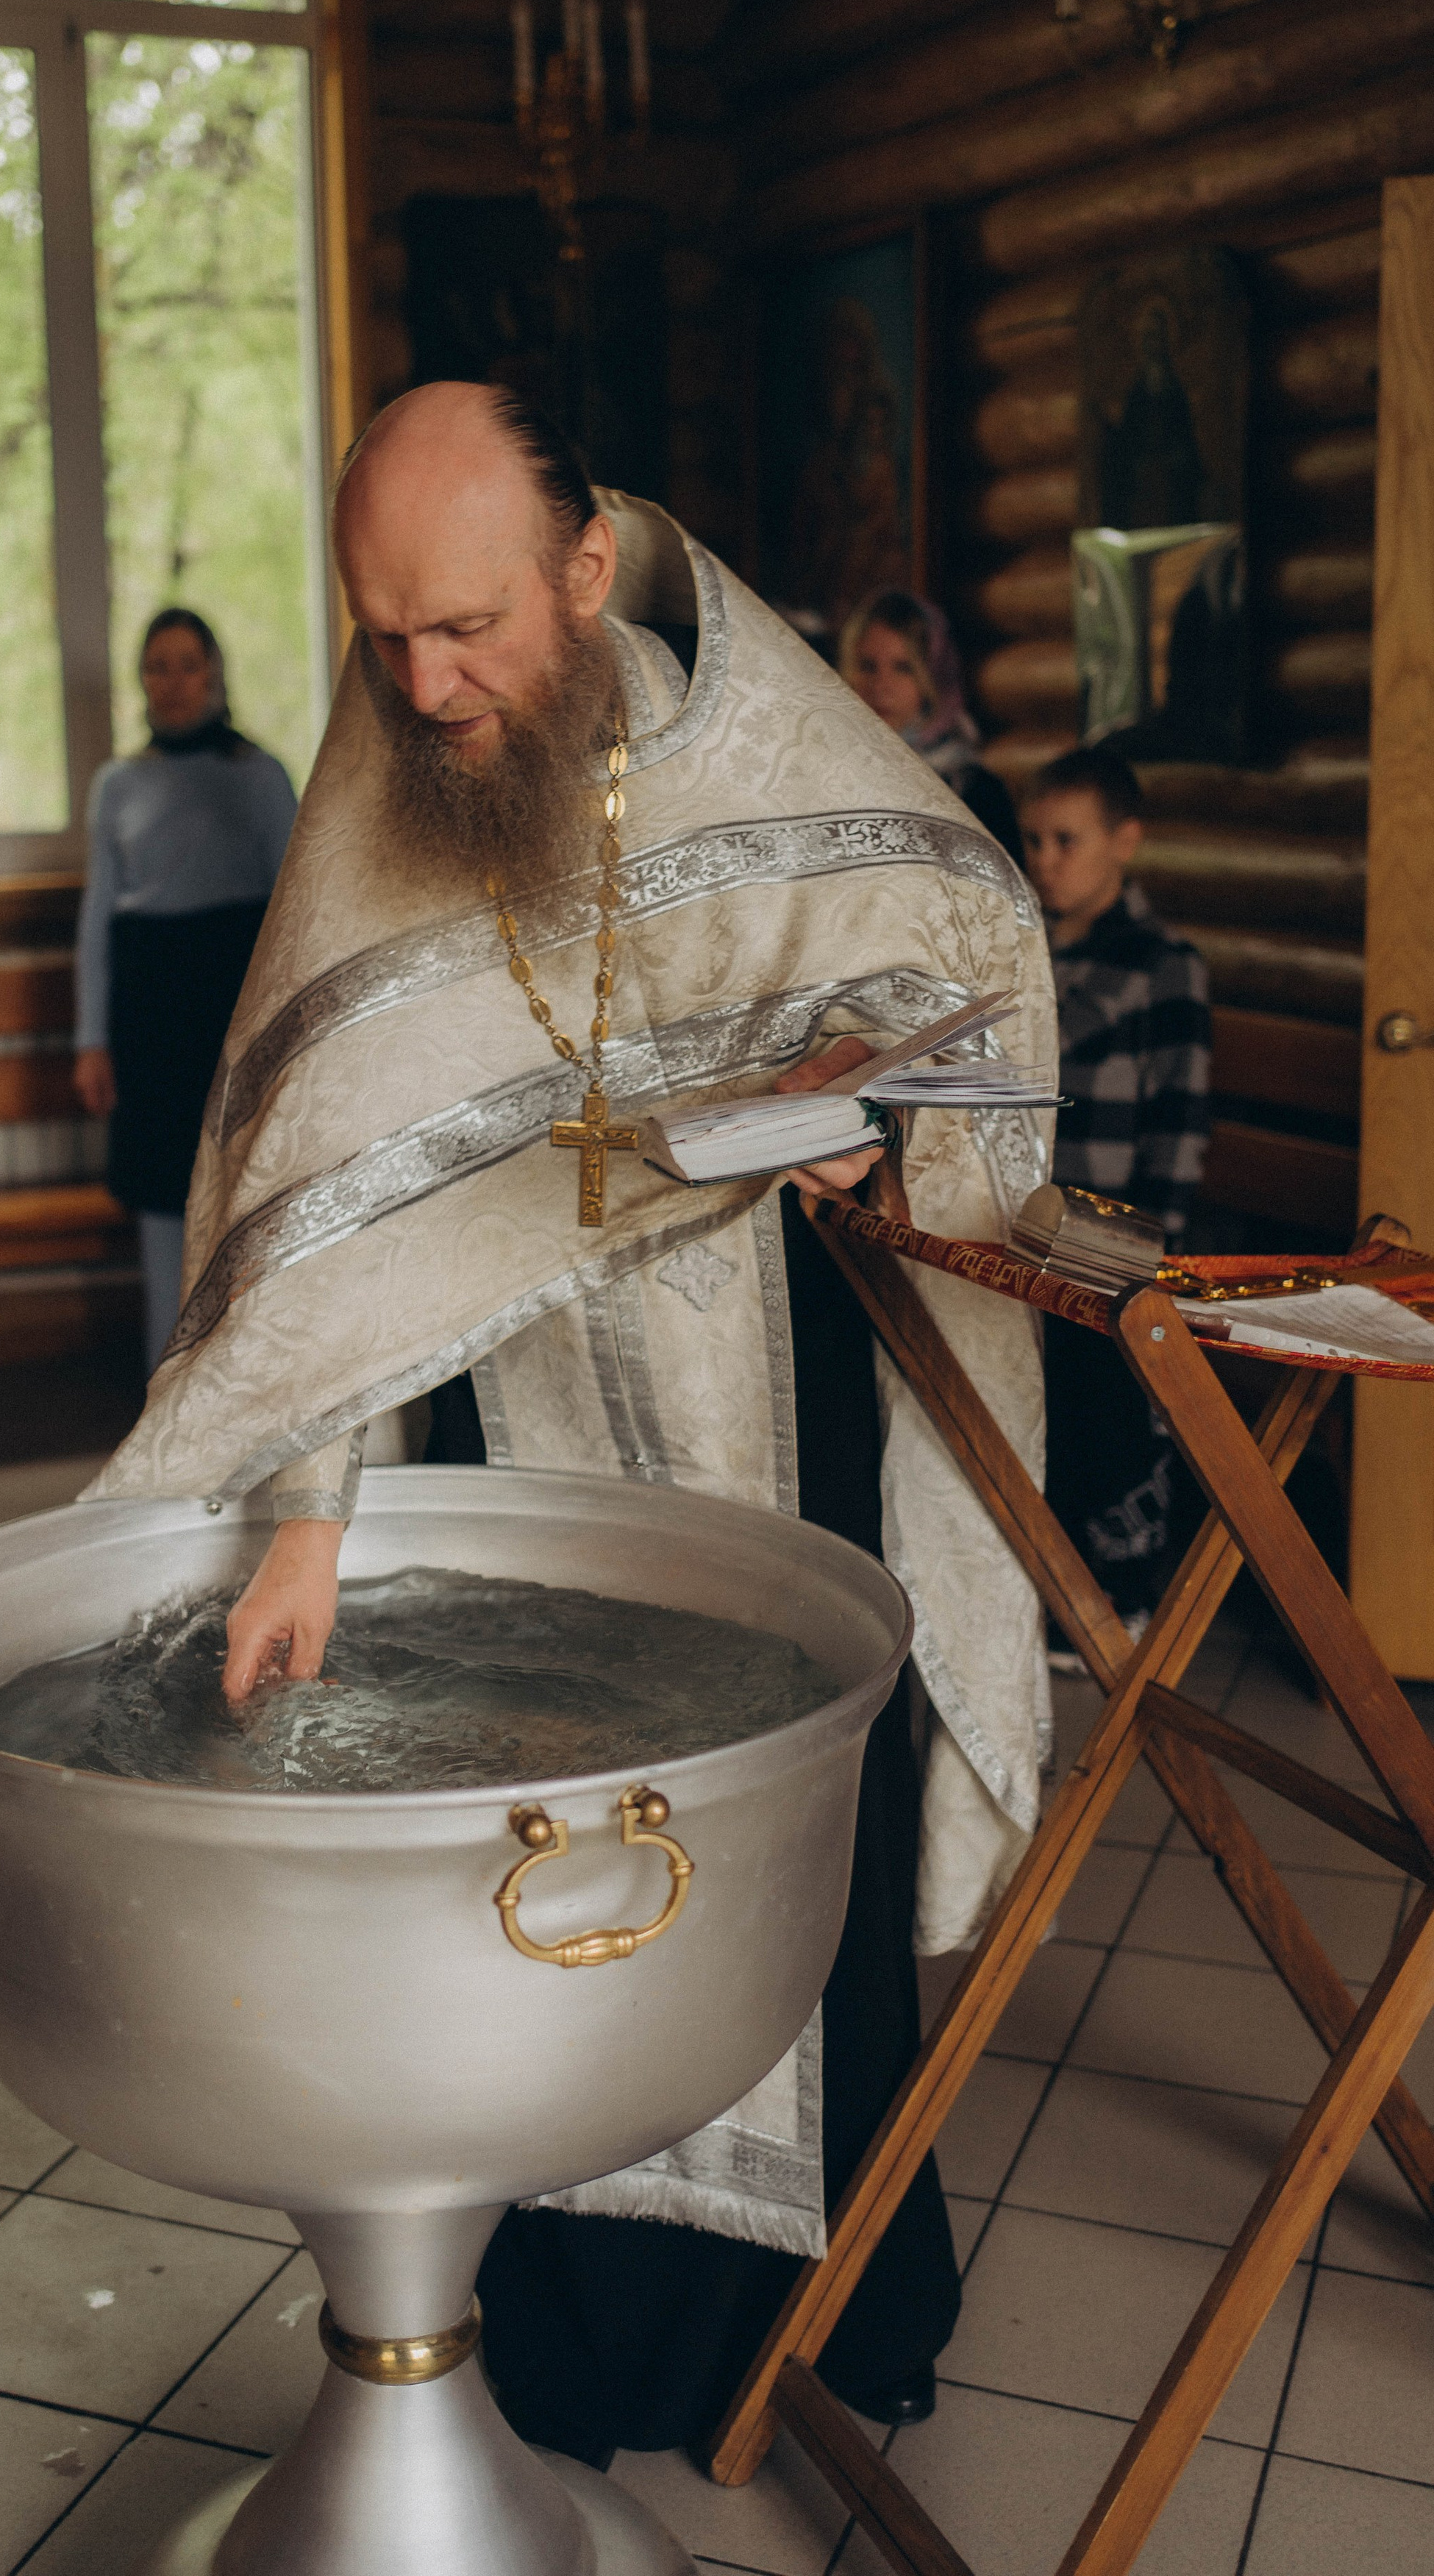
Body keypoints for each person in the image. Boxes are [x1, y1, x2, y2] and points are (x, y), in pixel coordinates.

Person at [84, 385, 1057, 2455]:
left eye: (470, 630)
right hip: (509, 1440)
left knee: (807, 1853)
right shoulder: (385, 794)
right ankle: (594, 2349)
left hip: (780, 1403)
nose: (425, 686)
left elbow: (960, 966)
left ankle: (837, 2318)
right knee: (536, 1880)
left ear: (587, 572)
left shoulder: (774, 741)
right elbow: (323, 1203)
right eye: (383, 634)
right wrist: (311, 1515)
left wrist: (870, 1128)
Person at [74, 608, 297, 1373]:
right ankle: (164, 1393)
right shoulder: (117, 785)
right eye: (156, 666)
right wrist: (89, 1041)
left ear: (214, 674)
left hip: (232, 1012)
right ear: (142, 682)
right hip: (146, 1023)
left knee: (242, 1198)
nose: (172, 682)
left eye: (186, 664)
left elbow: (294, 912)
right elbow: (97, 919)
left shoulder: (261, 777)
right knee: (163, 1210)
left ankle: (243, 1381)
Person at [1021, 744, 1210, 1629]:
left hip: (1114, 1236)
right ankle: (1047, 1585)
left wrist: (1153, 1253)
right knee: (1038, 1399)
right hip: (1021, 1221)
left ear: (1123, 842)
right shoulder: (1019, 951)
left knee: (1106, 1401)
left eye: (1066, 840)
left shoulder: (1163, 964)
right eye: (1033, 841)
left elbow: (1178, 1118)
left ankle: (1119, 1591)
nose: (1045, 860)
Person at [839, 587, 1023, 866]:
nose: (881, 686)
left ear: (932, 677)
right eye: (868, 666)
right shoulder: (831, 773)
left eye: (903, 668)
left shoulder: (973, 790)